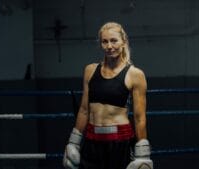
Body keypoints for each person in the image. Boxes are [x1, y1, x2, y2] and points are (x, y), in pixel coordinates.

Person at [63, 22, 153, 169]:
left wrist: (143, 154)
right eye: (105, 41)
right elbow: (84, 110)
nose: (109, 46)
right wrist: (74, 142)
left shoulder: (135, 74)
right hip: (92, 142)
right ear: (101, 44)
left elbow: (139, 118)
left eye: (114, 40)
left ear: (124, 42)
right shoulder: (90, 70)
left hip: (120, 143)